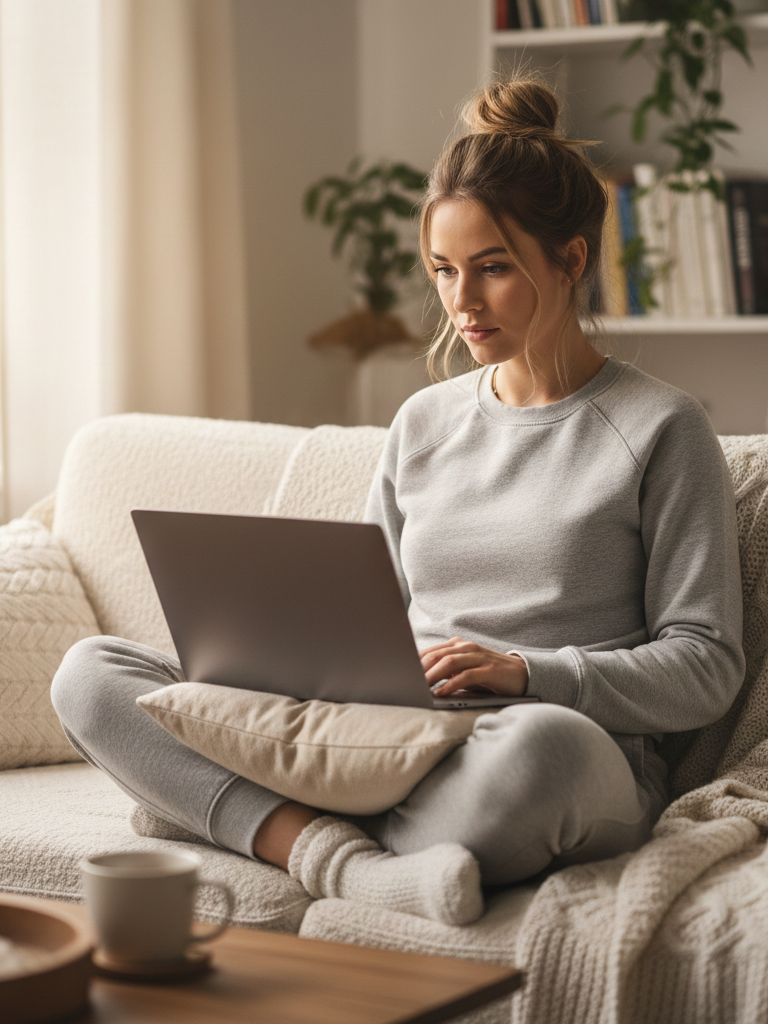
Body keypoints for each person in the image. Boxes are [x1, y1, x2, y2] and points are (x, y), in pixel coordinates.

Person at [51, 76, 745, 928]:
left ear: (570, 259)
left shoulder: (661, 429)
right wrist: (290, 665)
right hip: (384, 735)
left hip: (537, 744)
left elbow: (707, 665)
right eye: (446, 270)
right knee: (93, 674)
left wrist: (530, 673)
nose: (462, 301)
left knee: (541, 757)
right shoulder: (422, 422)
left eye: (492, 268)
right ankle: (344, 859)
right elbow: (363, 615)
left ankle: (240, 817)